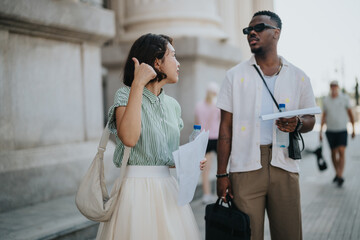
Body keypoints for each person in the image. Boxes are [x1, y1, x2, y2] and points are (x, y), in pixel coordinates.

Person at [216, 11, 316, 240]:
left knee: (289, 234)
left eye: (259, 27)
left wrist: (297, 123)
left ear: (276, 33)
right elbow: (225, 129)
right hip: (245, 168)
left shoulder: (299, 77)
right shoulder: (234, 76)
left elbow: (311, 118)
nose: (252, 32)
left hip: (285, 165)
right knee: (247, 235)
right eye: (247, 30)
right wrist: (221, 174)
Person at [96, 33, 206, 240]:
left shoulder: (173, 106)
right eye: (173, 56)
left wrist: (188, 160)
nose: (178, 63)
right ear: (157, 61)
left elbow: (167, 156)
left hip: (168, 191)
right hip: (135, 190)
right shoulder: (125, 95)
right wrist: (138, 84)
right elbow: (129, 138)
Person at [320, 80, 355, 187]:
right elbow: (323, 117)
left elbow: (350, 114)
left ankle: (340, 175)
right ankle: (336, 172)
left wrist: (353, 129)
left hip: (342, 130)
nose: (334, 88)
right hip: (330, 131)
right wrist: (320, 132)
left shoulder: (344, 98)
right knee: (333, 152)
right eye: (332, 86)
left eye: (335, 86)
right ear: (330, 87)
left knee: (341, 151)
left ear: (338, 87)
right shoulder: (326, 100)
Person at [195, 82, 220, 204]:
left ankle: (206, 194)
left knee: (205, 169)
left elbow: (197, 123)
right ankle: (221, 193)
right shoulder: (217, 106)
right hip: (216, 137)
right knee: (222, 167)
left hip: (204, 138)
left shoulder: (199, 105)